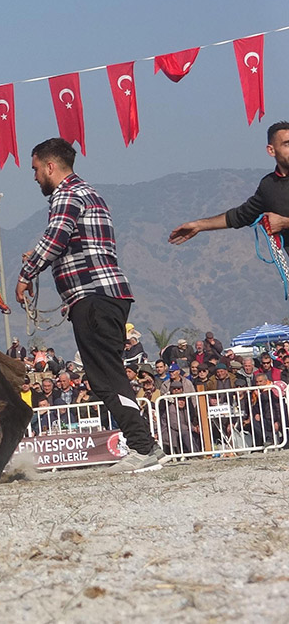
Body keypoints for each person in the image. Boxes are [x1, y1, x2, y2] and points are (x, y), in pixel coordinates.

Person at [15, 138, 165, 472]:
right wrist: (48, 259)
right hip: (107, 294)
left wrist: (27, 274)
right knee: (107, 375)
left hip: (93, 297)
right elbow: (72, 243)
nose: (35, 177)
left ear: (50, 166)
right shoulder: (88, 192)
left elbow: (55, 237)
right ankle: (145, 445)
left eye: (36, 169)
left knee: (106, 377)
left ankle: (143, 447)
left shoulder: (66, 195)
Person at [169, 121, 289, 248]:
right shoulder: (268, 186)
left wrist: (284, 223)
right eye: (287, 144)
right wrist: (199, 226)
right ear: (271, 150)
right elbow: (240, 215)